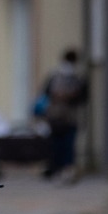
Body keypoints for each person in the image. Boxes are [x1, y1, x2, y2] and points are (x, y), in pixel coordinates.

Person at [40, 48, 88, 179]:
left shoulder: (55, 75)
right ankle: (64, 168)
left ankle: (59, 168)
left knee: (60, 144)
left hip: (57, 116)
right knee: (65, 145)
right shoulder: (77, 78)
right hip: (68, 117)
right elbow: (83, 98)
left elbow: (45, 93)